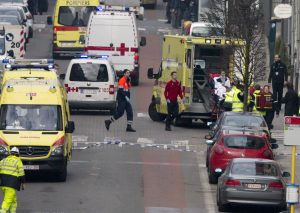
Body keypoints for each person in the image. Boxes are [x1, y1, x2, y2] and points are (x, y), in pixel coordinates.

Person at [0, 147, 25, 213]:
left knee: (13, 200)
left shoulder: (3, 160)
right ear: (18, 154)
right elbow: (21, 174)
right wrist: (23, 183)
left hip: (3, 183)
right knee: (7, 201)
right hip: (12, 184)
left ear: (10, 153)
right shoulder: (18, 161)